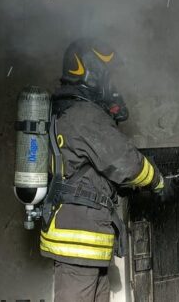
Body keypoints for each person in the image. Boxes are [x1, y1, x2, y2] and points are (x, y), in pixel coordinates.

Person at [39, 38, 166, 302]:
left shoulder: (69, 112)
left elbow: (91, 170)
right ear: (93, 73)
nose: (112, 85)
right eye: (108, 76)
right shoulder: (85, 115)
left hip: (83, 241)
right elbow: (127, 163)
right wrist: (158, 181)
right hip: (78, 243)